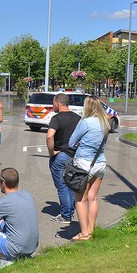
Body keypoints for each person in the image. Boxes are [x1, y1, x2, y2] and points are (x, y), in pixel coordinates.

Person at [68, 96, 109, 241]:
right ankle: (91, 230)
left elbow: (71, 142)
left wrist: (81, 144)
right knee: (93, 198)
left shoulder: (85, 123)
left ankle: (84, 233)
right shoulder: (105, 123)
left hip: (84, 163)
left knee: (80, 199)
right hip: (100, 163)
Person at [46, 93, 81, 224]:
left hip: (60, 156)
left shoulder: (57, 118)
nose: (52, 105)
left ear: (58, 103)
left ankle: (66, 215)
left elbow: (50, 136)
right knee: (71, 185)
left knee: (62, 186)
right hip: (74, 156)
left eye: (53, 103)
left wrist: (51, 152)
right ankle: (70, 211)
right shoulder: (78, 118)